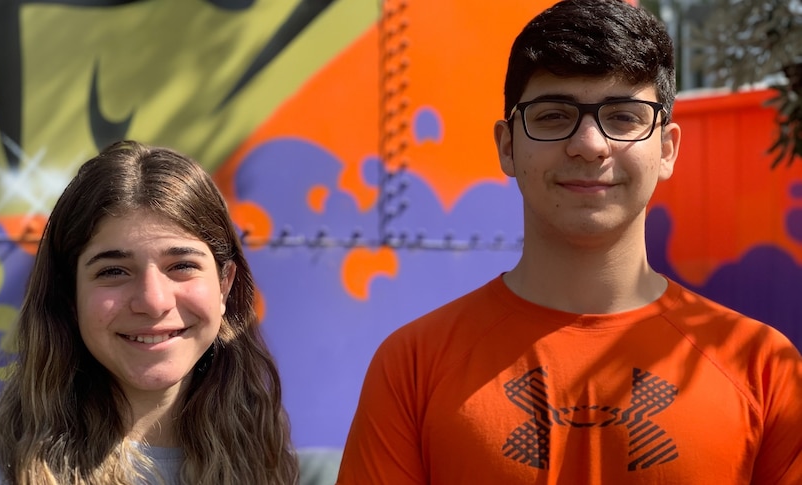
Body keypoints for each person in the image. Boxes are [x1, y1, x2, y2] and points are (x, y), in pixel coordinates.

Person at [336, 0, 802, 483]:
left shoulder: (762, 368)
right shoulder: (413, 367)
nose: (589, 144)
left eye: (623, 116)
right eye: (554, 115)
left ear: (666, 149)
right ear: (507, 146)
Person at [0, 140, 298, 484]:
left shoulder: (263, 462)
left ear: (225, 285)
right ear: (70, 294)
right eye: (113, 271)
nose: (153, 301)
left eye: (182, 265)